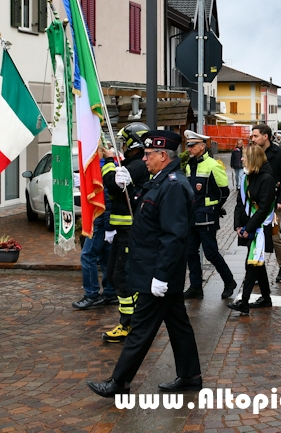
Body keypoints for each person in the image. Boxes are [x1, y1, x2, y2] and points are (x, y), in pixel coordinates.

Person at [87, 130, 202, 397]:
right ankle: (190, 376)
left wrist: (161, 276)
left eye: (149, 154)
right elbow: (145, 210)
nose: (145, 159)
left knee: (140, 328)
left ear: (163, 156)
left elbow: (173, 236)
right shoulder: (159, 181)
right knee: (178, 325)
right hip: (155, 269)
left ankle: (119, 382)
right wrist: (129, 187)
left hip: (157, 272)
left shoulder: (172, 185)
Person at [100, 122, 150, 343]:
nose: (123, 146)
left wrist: (109, 160)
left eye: (125, 141)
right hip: (122, 230)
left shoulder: (138, 165)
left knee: (122, 276)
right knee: (113, 274)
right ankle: (136, 318)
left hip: (131, 230)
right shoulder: (132, 163)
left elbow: (111, 183)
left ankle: (129, 323)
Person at [183, 130, 237, 300]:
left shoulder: (213, 165)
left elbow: (224, 192)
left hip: (206, 217)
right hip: (191, 218)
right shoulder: (189, 165)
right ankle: (196, 287)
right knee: (190, 253)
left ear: (202, 146)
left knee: (211, 253)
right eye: (188, 145)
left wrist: (214, 208)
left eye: (192, 146)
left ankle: (229, 282)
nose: (189, 149)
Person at [228, 145, 276, 315]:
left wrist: (249, 228)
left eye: (244, 157)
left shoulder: (266, 178)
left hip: (260, 228)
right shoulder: (247, 177)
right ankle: (266, 298)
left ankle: (245, 302)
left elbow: (263, 209)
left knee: (252, 263)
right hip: (250, 227)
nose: (241, 159)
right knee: (257, 264)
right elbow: (240, 203)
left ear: (253, 159)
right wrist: (238, 225)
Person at [250, 124, 281, 283]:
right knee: (256, 236)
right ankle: (256, 269)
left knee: (274, 237)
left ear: (265, 136)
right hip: (256, 202)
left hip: (273, 203)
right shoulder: (253, 152)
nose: (252, 139)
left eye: (255, 136)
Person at [72, 187, 116, 309]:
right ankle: (110, 292)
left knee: (88, 256)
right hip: (99, 221)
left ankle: (92, 294)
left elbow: (106, 201)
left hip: (98, 222)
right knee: (105, 256)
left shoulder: (100, 170)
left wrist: (108, 227)